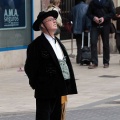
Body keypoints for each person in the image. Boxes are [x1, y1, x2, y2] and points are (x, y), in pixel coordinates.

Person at [24, 10, 77, 120]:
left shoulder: (58, 42)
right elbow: (30, 68)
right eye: (50, 20)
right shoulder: (36, 45)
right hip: (45, 90)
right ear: (42, 25)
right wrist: (39, 84)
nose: (54, 21)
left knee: (57, 117)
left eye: (54, 19)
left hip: (60, 88)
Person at [87, 0, 115, 69]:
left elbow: (113, 13)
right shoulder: (92, 2)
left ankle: (106, 62)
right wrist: (94, 18)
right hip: (95, 25)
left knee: (105, 44)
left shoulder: (109, 1)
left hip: (105, 25)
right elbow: (88, 13)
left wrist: (104, 18)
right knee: (93, 43)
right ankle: (94, 62)